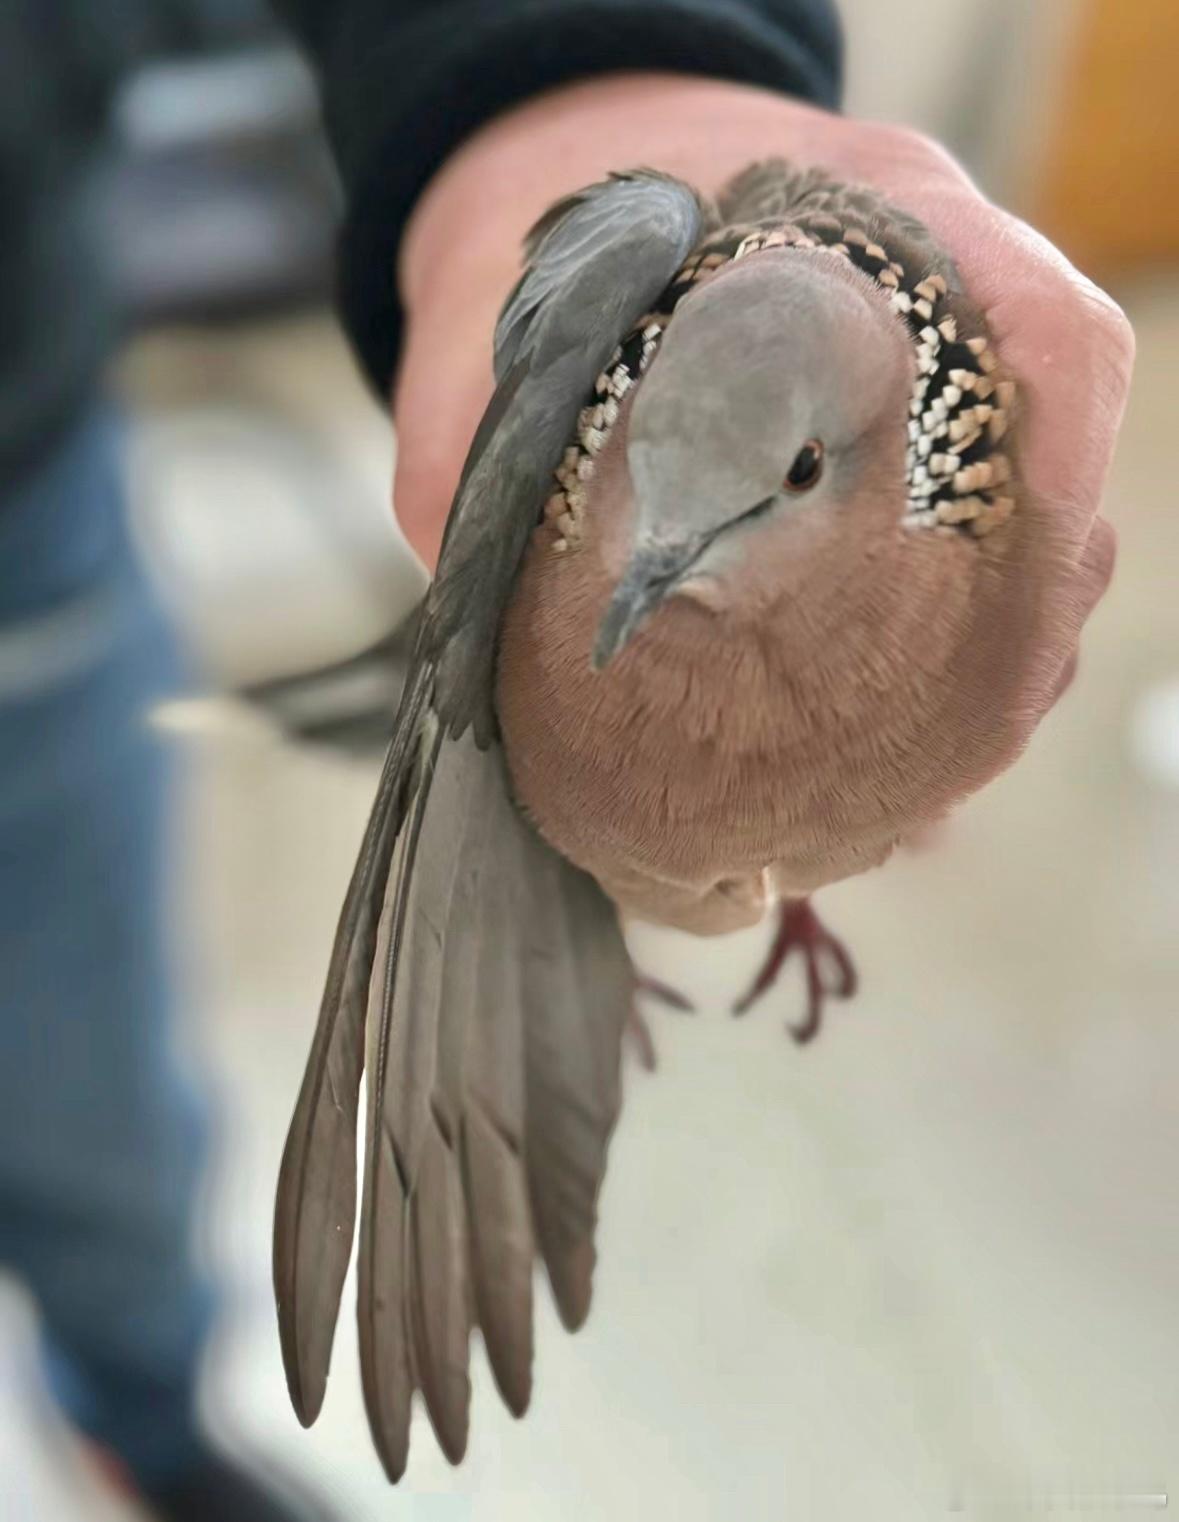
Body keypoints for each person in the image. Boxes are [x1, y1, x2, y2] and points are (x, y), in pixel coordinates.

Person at [0, 3, 1130, 1519]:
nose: (644, 573)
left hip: (20, 475)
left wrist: (594, 49)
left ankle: (146, 1414)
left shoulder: (921, 470)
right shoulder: (647, 485)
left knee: (93, 1107)